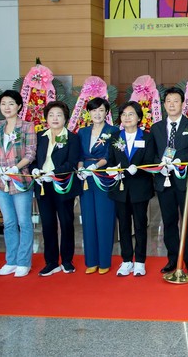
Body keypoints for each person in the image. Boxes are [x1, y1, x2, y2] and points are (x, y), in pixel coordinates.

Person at [151, 87, 188, 275]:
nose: (172, 105)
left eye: (176, 101)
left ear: (182, 104)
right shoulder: (156, 128)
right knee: (169, 220)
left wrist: (178, 160)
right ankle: (172, 258)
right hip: (163, 179)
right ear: (164, 104)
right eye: (168, 101)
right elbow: (151, 153)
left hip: (185, 179)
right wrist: (160, 164)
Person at [0, 90, 36, 278]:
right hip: (1, 181)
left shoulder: (27, 126)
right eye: (3, 104)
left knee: (24, 222)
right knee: (8, 223)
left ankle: (23, 262)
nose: (6, 107)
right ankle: (11, 261)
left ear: (19, 106)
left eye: (11, 103)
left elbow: (30, 153)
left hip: (20, 180)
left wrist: (15, 168)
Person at [31, 101, 82, 276]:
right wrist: (35, 171)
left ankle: (67, 260)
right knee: (48, 224)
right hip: (42, 185)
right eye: (51, 115)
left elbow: (71, 163)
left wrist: (53, 173)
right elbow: (33, 159)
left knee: (66, 222)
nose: (55, 118)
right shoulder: (40, 136)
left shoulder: (72, 138)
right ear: (46, 118)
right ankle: (51, 262)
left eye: (59, 115)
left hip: (63, 184)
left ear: (65, 118)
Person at [107, 101, 155, 277]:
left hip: (140, 187)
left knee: (140, 225)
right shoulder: (115, 137)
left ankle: (140, 261)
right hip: (119, 188)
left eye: (131, 114)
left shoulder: (147, 137)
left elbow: (150, 160)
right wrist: (112, 170)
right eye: (124, 114)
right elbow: (110, 160)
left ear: (139, 117)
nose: (127, 117)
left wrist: (138, 168)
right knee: (124, 226)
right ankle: (126, 260)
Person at [76, 97, 119, 274]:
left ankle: (104, 261)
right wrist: (81, 168)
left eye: (101, 110)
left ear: (106, 112)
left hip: (102, 176)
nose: (97, 113)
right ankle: (91, 261)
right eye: (94, 110)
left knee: (104, 218)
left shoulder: (113, 131)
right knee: (88, 218)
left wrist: (95, 166)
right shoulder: (83, 132)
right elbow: (79, 154)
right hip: (85, 178)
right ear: (89, 112)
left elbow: (110, 154)